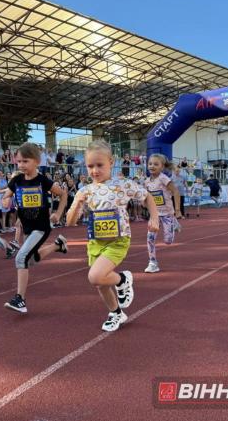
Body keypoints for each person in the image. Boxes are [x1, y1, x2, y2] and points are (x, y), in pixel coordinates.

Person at [66, 140, 159, 331]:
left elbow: (147, 197)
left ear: (111, 162)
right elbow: (70, 222)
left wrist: (154, 218)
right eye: (90, 166)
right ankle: (116, 313)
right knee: (101, 283)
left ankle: (123, 280)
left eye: (100, 165)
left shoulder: (122, 184)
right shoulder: (85, 190)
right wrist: (76, 204)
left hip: (118, 240)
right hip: (95, 242)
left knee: (95, 277)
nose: (95, 170)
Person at [1, 142, 68, 313]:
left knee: (20, 258)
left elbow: (63, 194)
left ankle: (20, 300)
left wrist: (58, 214)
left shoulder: (43, 180)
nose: (21, 165)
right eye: (19, 162)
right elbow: (6, 196)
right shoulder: (16, 180)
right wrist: (6, 200)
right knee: (31, 259)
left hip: (41, 227)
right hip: (27, 228)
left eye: (25, 161)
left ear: (37, 161)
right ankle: (58, 246)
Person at [143, 154, 182, 273]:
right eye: (150, 164)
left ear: (162, 167)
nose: (152, 166)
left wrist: (177, 210)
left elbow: (175, 192)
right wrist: (144, 203)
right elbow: (147, 196)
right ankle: (153, 262)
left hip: (167, 214)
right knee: (150, 238)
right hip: (154, 214)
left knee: (168, 241)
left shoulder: (164, 178)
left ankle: (174, 223)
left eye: (156, 164)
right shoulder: (146, 181)